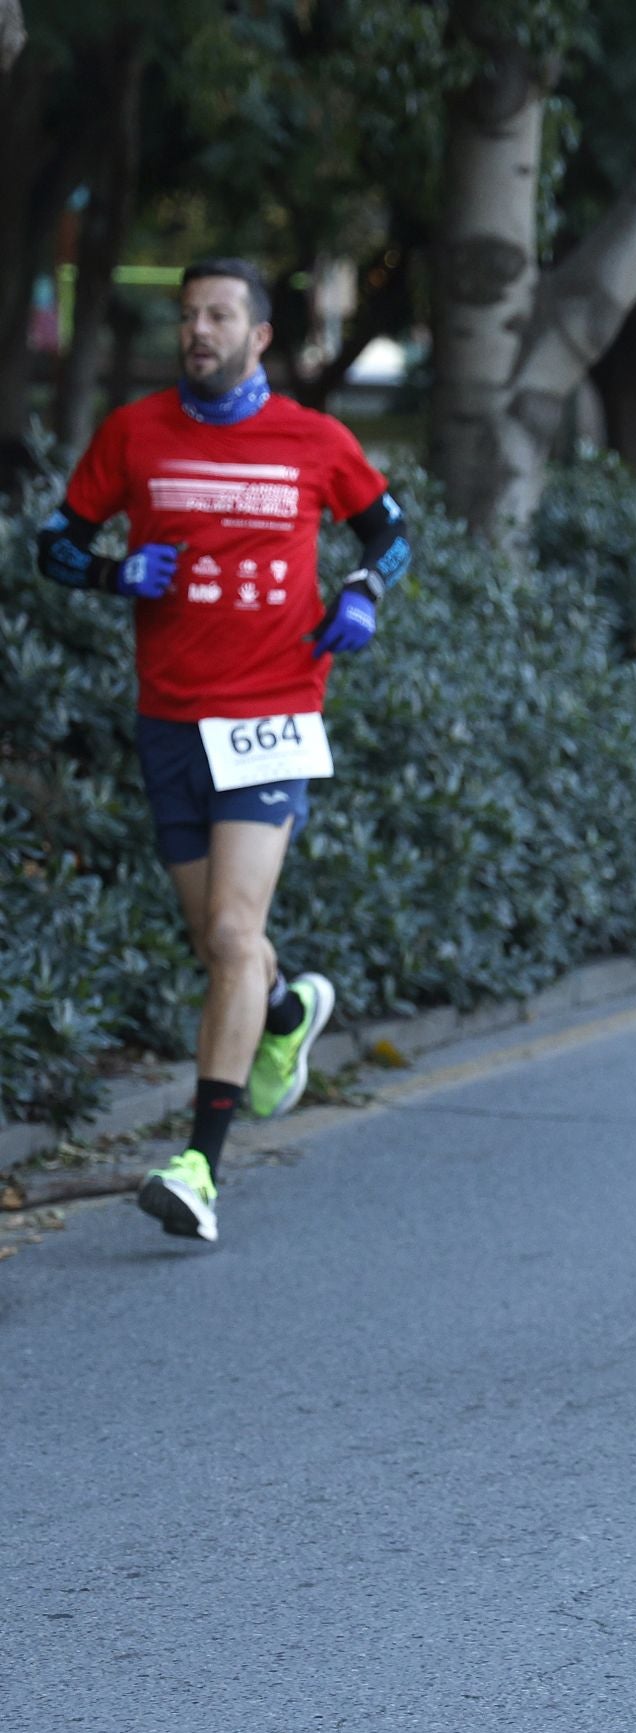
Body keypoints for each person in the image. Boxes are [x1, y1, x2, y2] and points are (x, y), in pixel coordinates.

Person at [36, 259, 407, 1244]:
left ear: (260, 337)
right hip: (168, 716)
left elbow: (392, 533)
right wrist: (117, 571)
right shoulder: (134, 433)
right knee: (221, 944)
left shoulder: (315, 439)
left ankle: (199, 1161)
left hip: (273, 710)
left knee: (235, 935)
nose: (197, 329)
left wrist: (363, 593)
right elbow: (53, 545)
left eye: (218, 315)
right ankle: (285, 1012)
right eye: (187, 315)